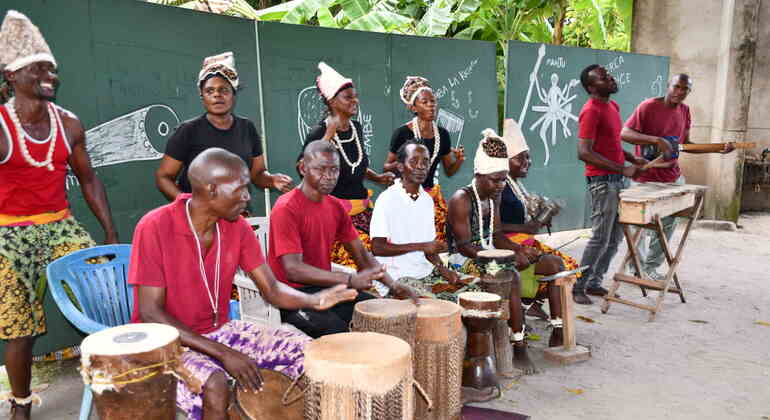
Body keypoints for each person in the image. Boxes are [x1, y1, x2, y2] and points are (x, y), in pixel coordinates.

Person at [129, 148, 356, 420]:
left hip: (219, 331)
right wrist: (224, 353)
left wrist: (312, 300)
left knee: (306, 351)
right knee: (214, 385)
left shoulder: (237, 227)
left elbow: (271, 288)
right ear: (212, 189)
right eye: (241, 189)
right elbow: (151, 313)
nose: (248, 197)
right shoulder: (154, 226)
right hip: (164, 343)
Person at [0, 11, 119, 419]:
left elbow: (89, 181)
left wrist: (108, 232)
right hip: (7, 232)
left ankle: (113, 383)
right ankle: (19, 402)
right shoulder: (1, 126)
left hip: (59, 225)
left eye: (52, 69)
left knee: (103, 288)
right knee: (19, 329)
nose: (50, 74)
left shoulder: (69, 124)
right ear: (12, 76)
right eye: (39, 68)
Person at [270, 140, 418, 338]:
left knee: (377, 317)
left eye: (335, 170)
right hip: (289, 295)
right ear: (303, 168)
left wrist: (394, 286)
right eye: (321, 169)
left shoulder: (335, 206)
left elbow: (361, 255)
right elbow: (293, 271)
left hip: (324, 288)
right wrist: (349, 279)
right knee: (340, 332)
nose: (330, 177)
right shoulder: (286, 207)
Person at [446, 131, 565, 376]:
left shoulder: (493, 196)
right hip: (465, 262)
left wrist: (520, 249)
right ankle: (518, 345)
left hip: (490, 253)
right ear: (479, 175)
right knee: (511, 275)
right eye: (495, 180)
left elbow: (498, 235)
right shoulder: (462, 198)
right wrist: (507, 257)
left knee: (554, 264)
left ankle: (558, 329)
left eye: (503, 180)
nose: (501, 185)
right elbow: (464, 247)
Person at [621, 74, 735, 279]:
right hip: (644, 177)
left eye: (685, 89)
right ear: (668, 86)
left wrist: (717, 149)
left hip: (672, 177)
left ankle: (650, 267)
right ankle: (635, 268)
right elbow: (624, 133)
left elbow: (686, 144)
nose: (680, 92)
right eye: (676, 87)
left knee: (668, 224)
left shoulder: (685, 111)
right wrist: (656, 140)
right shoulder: (648, 106)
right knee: (634, 223)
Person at [156, 51, 293, 207]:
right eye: (210, 91)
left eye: (224, 90)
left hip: (237, 214)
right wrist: (189, 204)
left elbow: (257, 174)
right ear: (202, 96)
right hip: (200, 221)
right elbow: (164, 177)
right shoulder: (188, 131)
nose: (217, 95)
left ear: (233, 94)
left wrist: (272, 180)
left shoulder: (247, 128)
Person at [303, 62, 395, 268]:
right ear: (331, 101)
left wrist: (378, 178)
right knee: (361, 259)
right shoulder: (319, 132)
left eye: (355, 96)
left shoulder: (357, 128)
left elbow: (355, 166)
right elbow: (306, 169)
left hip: (362, 210)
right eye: (348, 97)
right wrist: (329, 134)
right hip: (334, 215)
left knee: (385, 248)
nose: (355, 101)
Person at [573, 64, 647, 305]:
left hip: (617, 179)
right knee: (600, 237)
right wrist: (621, 168)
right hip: (603, 182)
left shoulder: (612, 106)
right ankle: (578, 286)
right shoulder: (591, 111)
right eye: (604, 78)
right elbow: (584, 152)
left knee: (614, 237)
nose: (611, 79)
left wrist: (630, 157)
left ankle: (594, 282)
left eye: (609, 75)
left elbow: (612, 145)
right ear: (592, 87)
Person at [499, 119, 581, 319]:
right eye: (521, 158)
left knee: (567, 268)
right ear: (505, 161)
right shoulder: (498, 185)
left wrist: (539, 218)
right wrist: (527, 228)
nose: (527, 163)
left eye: (528, 158)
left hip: (521, 240)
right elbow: (492, 226)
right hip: (506, 244)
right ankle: (528, 302)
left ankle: (530, 302)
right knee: (567, 268)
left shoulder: (514, 184)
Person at [370, 141, 460, 297]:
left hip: (425, 272)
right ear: (400, 167)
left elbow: (428, 249)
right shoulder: (387, 199)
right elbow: (378, 248)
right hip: (396, 277)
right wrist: (421, 246)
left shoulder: (426, 200)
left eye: (425, 161)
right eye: (413, 161)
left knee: (471, 291)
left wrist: (443, 269)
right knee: (439, 305)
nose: (421, 166)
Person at [383, 76, 465, 241]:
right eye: (425, 102)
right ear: (414, 107)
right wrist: (407, 163)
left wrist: (460, 160)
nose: (431, 105)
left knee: (439, 239)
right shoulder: (402, 133)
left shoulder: (442, 134)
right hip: (405, 195)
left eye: (433, 101)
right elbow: (387, 166)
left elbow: (449, 170)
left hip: (431, 196)